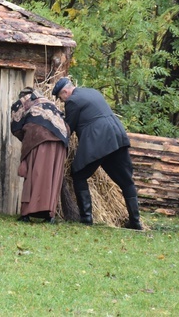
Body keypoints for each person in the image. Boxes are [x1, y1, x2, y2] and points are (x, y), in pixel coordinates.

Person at [52, 77, 143, 230]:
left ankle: (86, 218)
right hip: (116, 137)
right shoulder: (92, 92)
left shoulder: (72, 101)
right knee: (126, 181)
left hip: (98, 141)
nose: (62, 101)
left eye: (61, 97)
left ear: (65, 92)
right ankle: (135, 222)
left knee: (78, 174)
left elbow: (69, 128)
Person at [10, 88, 69, 223]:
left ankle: (26, 213)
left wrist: (25, 148)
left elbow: (16, 127)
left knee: (33, 174)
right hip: (61, 141)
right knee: (52, 177)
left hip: (39, 137)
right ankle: (49, 215)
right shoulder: (48, 103)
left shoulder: (22, 103)